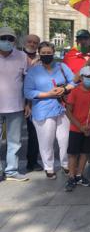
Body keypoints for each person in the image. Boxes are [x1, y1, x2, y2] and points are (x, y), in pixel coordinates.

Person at [24, 41, 75, 179]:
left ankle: (65, 164)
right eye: (44, 53)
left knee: (65, 140)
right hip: (43, 110)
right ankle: (49, 166)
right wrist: (48, 94)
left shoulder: (62, 67)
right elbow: (28, 92)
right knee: (46, 141)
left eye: (49, 52)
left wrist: (64, 89)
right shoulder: (33, 71)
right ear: (39, 54)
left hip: (63, 109)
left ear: (53, 52)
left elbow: (74, 82)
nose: (47, 55)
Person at [0, 27, 29, 181]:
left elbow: (27, 80)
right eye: (3, 38)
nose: (7, 41)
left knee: (14, 141)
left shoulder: (22, 56)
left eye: (10, 39)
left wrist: (28, 103)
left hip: (16, 105)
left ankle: (11, 171)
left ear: (14, 41)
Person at [64, 66, 90, 191]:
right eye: (88, 77)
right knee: (73, 154)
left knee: (85, 152)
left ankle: (79, 175)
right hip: (76, 128)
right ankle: (71, 177)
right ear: (82, 78)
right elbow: (68, 111)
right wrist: (80, 126)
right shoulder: (75, 91)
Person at [22, 34, 43, 172]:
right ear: (24, 42)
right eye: (29, 41)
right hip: (12, 100)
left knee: (34, 133)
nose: (32, 44)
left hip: (32, 100)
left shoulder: (41, 60)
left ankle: (32, 161)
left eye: (35, 42)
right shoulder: (17, 56)